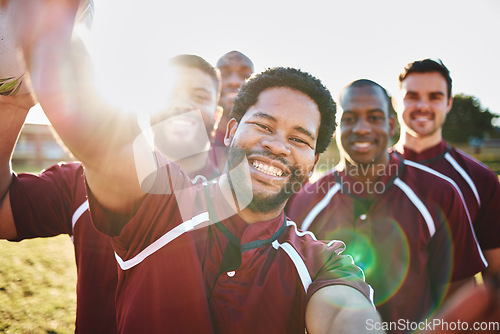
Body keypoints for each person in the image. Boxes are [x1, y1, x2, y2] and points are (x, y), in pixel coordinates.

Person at [5, 2, 384, 332]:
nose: (277, 145)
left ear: (314, 161)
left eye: (300, 139)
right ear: (231, 130)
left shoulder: (324, 261)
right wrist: (42, 33)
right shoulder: (162, 202)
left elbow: (344, 317)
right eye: (264, 126)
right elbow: (100, 133)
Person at [0, 52, 225, 333]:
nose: (182, 103)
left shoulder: (238, 201)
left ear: (217, 113)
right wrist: (14, 102)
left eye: (199, 95)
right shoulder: (78, 180)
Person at [286, 79, 487, 333]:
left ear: (391, 125)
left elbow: (461, 296)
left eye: (374, 117)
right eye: (350, 118)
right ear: (336, 127)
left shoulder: (439, 193)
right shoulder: (305, 201)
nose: (361, 128)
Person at [392, 58, 500, 277]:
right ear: (395, 102)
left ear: (448, 103)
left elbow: (496, 277)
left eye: (435, 97)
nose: (423, 106)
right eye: (412, 96)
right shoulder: (367, 174)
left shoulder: (480, 179)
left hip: (454, 311)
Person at [212, 51, 254, 170]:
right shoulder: (193, 142)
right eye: (223, 74)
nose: (234, 81)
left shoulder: (263, 147)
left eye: (245, 75)